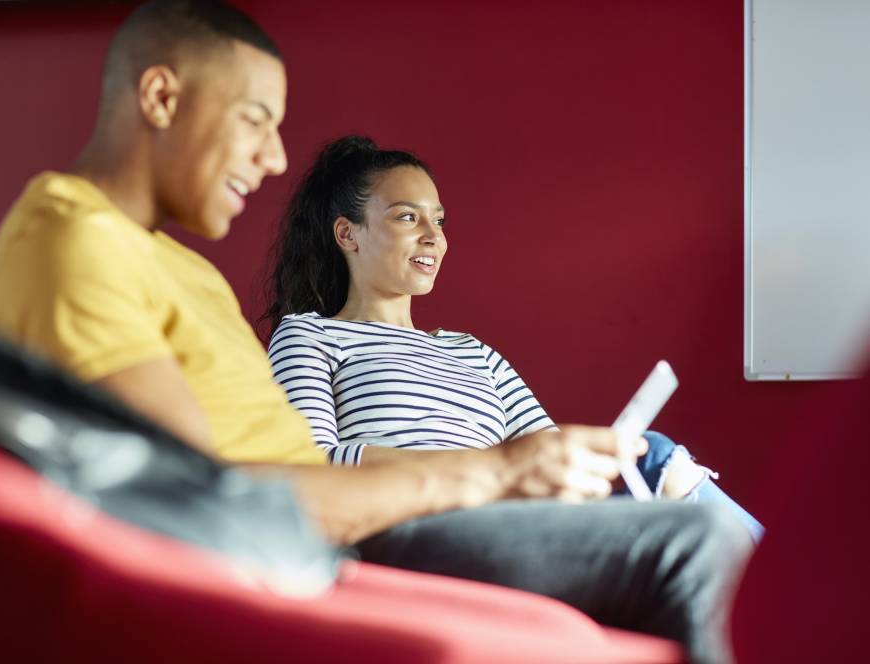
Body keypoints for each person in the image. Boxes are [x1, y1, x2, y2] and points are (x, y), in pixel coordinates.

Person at [0, 2, 751, 662]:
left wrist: (560, 470)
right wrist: (491, 473)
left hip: (346, 522)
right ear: (159, 95)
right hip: (334, 539)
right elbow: (209, 499)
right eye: (255, 121)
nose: (275, 157)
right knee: (691, 547)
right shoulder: (74, 238)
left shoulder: (186, 272)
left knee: (681, 504)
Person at [264, 135, 764, 540]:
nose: (433, 237)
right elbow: (311, 466)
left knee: (651, 458)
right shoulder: (309, 335)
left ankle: (790, 597)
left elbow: (546, 453)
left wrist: (593, 457)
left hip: (512, 519)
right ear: (348, 235)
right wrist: (489, 469)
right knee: (660, 476)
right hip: (416, 523)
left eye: (438, 220)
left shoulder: (473, 353)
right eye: (406, 217)